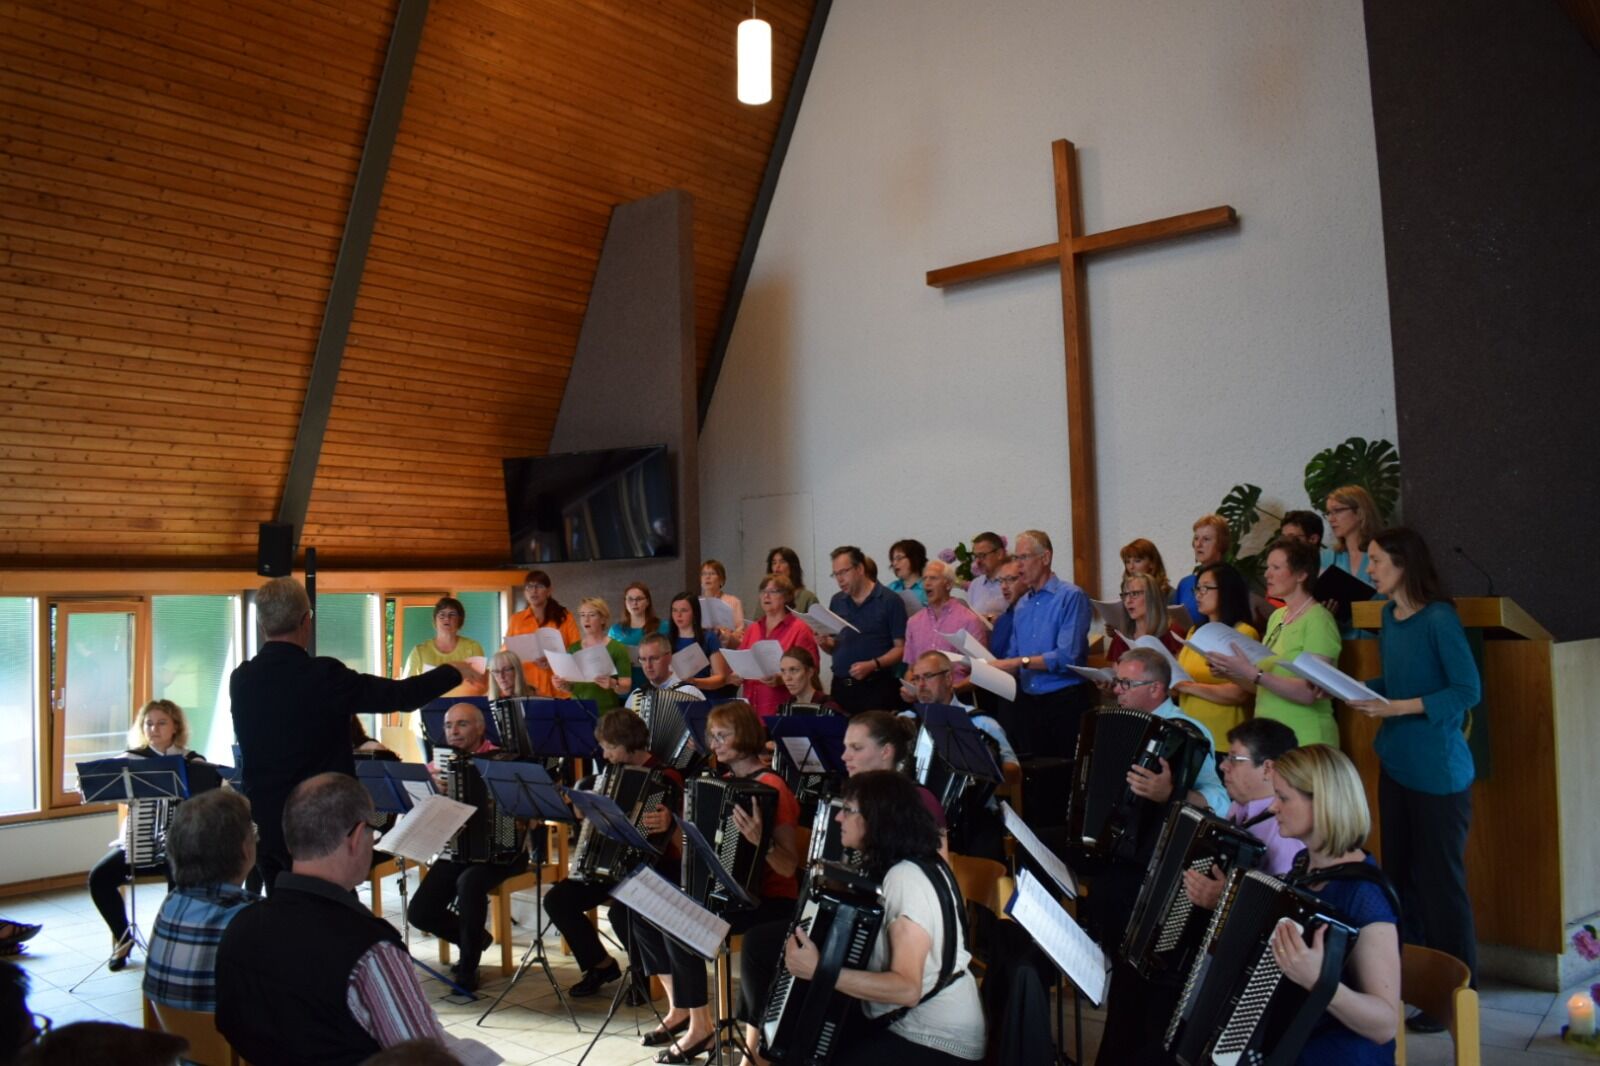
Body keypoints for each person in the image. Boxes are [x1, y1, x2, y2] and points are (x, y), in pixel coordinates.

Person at [216, 774, 498, 1065]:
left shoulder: (239, 927)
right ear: (356, 836)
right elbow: (425, 1059)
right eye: (372, 834)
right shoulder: (372, 952)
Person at [230, 577, 478, 891]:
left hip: (265, 824)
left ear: (262, 624)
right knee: (331, 912)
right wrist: (453, 671)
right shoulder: (322, 676)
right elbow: (400, 696)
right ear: (306, 621)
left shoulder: (241, 679)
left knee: (283, 908)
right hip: (319, 827)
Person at [1344, 527, 1482, 997]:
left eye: (1377, 560)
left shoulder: (1439, 618)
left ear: (1404, 564)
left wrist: (1398, 708)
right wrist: (1355, 689)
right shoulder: (1389, 615)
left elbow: (1466, 690)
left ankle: (1456, 994)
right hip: (1396, 764)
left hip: (1438, 772)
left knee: (1441, 887)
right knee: (1401, 881)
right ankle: (1415, 983)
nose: (1370, 569)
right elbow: (1400, 681)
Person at [632, 701, 801, 1064]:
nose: (714, 744)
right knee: (653, 912)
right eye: (712, 736)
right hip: (727, 895)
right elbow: (697, 853)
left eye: (723, 736)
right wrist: (673, 827)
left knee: (682, 922)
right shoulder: (717, 783)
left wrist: (763, 842)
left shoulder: (773, 787)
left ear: (746, 735)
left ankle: (705, 1029)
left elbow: (789, 868)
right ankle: (696, 1021)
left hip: (770, 901)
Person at [781, 771, 986, 1065]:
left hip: (935, 1039)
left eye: (848, 810)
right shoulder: (923, 861)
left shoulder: (905, 878)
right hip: (910, 1023)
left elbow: (907, 989)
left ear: (876, 819)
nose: (838, 817)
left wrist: (820, 971)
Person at [1087, 648, 1226, 1065]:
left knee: (1137, 983)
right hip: (1118, 855)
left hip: (1158, 866)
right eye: (1117, 682)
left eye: (1126, 684)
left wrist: (1173, 794)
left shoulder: (1188, 731)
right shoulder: (1117, 721)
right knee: (1119, 969)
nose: (1118, 691)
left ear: (1157, 689)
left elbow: (1220, 799)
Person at [1268, 745, 1401, 1063]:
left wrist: (1319, 981)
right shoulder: (1304, 867)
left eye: (1283, 798)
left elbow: (1384, 1025)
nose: (1273, 807)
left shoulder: (1364, 893)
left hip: (1341, 1051)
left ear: (1323, 803)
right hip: (1296, 1033)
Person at [544, 709, 683, 998]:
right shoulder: (608, 776)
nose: (605, 755)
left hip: (656, 869)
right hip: (610, 866)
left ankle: (644, 978)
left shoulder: (667, 777)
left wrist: (670, 823)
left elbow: (680, 841)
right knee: (557, 899)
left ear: (629, 744)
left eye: (610, 748)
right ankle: (600, 965)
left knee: (622, 912)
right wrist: (584, 806)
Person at [407, 702, 526, 992]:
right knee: (419, 912)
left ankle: (469, 966)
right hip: (457, 849)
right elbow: (419, 806)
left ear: (480, 727)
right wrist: (432, 790)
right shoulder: (439, 764)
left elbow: (522, 808)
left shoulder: (502, 761)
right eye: (449, 725)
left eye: (462, 724)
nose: (454, 731)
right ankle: (475, 938)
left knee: (470, 883)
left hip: (503, 853)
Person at [87, 699, 208, 969]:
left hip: (177, 845)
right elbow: (98, 785)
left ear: (176, 727)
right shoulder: (130, 760)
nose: (154, 729)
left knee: (180, 883)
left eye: (161, 723)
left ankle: (171, 945)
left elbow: (209, 797)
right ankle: (123, 938)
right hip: (137, 842)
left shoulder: (192, 761)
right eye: (148, 723)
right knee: (99, 878)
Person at [1208, 539, 1342, 746]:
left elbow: (1309, 692)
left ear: (1301, 574)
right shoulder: (1277, 616)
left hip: (1306, 736)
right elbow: (1263, 686)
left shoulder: (1319, 620)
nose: (1267, 574)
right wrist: (1232, 671)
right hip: (1272, 736)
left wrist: (1253, 673)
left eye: (1276, 568)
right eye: (1268, 567)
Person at [143, 788, 257, 1013]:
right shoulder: (254, 919)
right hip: (230, 1035)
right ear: (245, 849)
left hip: (168, 1032)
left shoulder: (171, 904)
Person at [986, 530, 1091, 759]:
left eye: (1024, 557)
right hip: (1028, 702)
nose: (1018, 565)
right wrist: (985, 668)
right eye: (1016, 558)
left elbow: (1068, 657)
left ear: (1045, 558)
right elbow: (1013, 655)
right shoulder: (1022, 604)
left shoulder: (1071, 596)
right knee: (1033, 771)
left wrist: (1019, 662)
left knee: (1064, 771)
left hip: (1063, 701)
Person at [905, 650, 1018, 860]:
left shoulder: (981, 722)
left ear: (949, 678)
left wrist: (985, 765)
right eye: (916, 678)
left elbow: (1014, 772)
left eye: (928, 677)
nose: (920, 685)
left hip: (974, 818)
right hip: (918, 818)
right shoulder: (907, 721)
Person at [1182, 717, 1305, 910]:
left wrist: (1228, 900)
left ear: (1268, 769)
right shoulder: (1237, 807)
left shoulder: (1285, 830)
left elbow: (1283, 906)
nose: (1223, 766)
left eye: (1234, 759)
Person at [1171, 562, 1260, 750]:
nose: (1198, 594)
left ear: (1227, 591)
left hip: (1223, 737)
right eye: (1197, 588)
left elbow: (1239, 693)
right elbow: (1178, 682)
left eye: (1206, 588)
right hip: (1189, 731)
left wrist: (1188, 687)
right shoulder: (1194, 632)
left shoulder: (1243, 633)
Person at [819, 546, 908, 715]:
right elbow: (834, 646)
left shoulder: (889, 600)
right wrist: (824, 643)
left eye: (843, 572)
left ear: (860, 568)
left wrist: (873, 664)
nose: (840, 579)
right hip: (841, 685)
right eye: (835, 574)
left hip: (876, 686)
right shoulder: (837, 601)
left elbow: (901, 648)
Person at [732, 574, 820, 720]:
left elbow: (812, 670)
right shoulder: (753, 628)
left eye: (773, 591)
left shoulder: (799, 629)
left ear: (786, 596)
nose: (766, 596)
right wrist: (736, 674)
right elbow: (742, 661)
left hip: (783, 712)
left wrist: (782, 678)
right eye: (763, 591)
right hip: (751, 712)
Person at [902, 559, 988, 690]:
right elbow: (910, 669)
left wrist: (956, 689)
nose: (927, 583)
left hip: (958, 694)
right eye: (924, 579)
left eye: (933, 578)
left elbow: (983, 671)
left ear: (948, 585)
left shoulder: (969, 620)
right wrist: (909, 688)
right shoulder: (913, 622)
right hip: (923, 696)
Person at [502, 570, 581, 697]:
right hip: (527, 688)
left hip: (559, 688)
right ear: (525, 592)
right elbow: (506, 653)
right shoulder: (516, 620)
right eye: (529, 587)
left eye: (539, 586)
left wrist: (554, 660)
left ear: (549, 591)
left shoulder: (565, 617)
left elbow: (576, 650)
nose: (533, 591)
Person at [1322, 485, 1384, 637]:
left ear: (1360, 512)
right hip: (1339, 642)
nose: (1331, 519)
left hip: (1378, 642)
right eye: (1328, 513)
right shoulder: (1327, 557)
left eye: (1337, 511)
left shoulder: (1384, 554)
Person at [554, 598, 633, 711]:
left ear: (603, 619)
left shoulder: (617, 648)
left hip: (607, 713)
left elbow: (626, 686)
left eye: (592, 615)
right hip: (577, 711)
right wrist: (562, 685)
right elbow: (571, 688)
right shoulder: (573, 649)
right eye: (582, 615)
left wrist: (613, 684)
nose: (586, 619)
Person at [402, 596, 485, 694]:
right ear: (435, 620)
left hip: (466, 703)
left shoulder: (473, 647)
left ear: (460, 620)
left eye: (452, 614)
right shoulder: (419, 651)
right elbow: (406, 690)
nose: (447, 618)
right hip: (431, 704)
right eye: (442, 614)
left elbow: (481, 686)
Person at [1103, 570, 1183, 663]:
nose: (1128, 601)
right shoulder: (1120, 638)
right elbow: (1116, 671)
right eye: (1125, 595)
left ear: (1152, 597)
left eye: (1134, 594)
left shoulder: (1172, 634)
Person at [667, 592, 733, 694]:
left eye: (684, 610)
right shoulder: (666, 639)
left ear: (695, 613)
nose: (678, 615)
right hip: (673, 695)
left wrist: (695, 682)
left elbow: (720, 677)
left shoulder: (709, 638)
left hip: (701, 694)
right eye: (674, 610)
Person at [611, 582, 671, 691]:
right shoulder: (616, 630)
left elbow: (670, 657)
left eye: (639, 599)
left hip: (656, 686)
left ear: (647, 602)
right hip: (624, 686)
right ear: (625, 602)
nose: (634, 603)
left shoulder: (663, 627)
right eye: (630, 599)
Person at [1173, 514, 1229, 625]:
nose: (1198, 544)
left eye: (1206, 539)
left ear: (1220, 544)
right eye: (1196, 538)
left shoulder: (1230, 580)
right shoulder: (1186, 583)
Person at [960, 532, 1009, 624]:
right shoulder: (975, 584)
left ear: (999, 554)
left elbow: (1017, 615)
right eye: (976, 556)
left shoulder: (1012, 581)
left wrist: (989, 618)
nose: (978, 561)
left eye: (982, 556)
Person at [699, 559, 745, 638]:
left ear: (721, 579)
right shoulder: (696, 603)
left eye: (712, 573)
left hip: (725, 643)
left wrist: (724, 635)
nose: (707, 577)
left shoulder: (733, 601)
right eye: (704, 574)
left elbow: (740, 632)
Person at [767, 546, 819, 614]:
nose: (777, 566)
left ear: (792, 567)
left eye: (782, 562)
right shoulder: (766, 597)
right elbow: (758, 619)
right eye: (774, 563)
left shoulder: (807, 597)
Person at [887, 538, 929, 608]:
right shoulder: (892, 587)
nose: (894, 563)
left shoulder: (928, 587)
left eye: (899, 558)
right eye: (892, 560)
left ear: (914, 558)